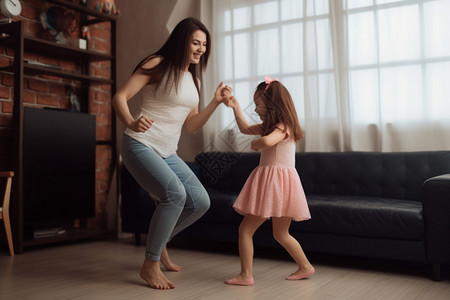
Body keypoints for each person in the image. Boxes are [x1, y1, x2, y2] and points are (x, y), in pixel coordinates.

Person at [112, 17, 230, 290]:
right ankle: (150, 263)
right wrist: (130, 121)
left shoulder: (194, 80)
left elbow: (190, 125)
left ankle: (159, 241)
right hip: (139, 143)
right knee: (175, 194)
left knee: (200, 201)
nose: (200, 48)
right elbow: (120, 97)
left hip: (167, 150)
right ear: (182, 40)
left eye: (204, 44)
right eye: (195, 42)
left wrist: (215, 102)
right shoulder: (156, 63)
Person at [223, 76, 315, 286]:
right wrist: (235, 106)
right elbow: (245, 128)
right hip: (282, 185)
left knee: (245, 230)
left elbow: (267, 141)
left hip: (274, 184)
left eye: (258, 104)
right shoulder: (272, 126)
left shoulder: (283, 127)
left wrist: (257, 143)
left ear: (272, 103)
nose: (255, 109)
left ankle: (246, 275)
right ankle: (305, 266)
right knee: (281, 233)